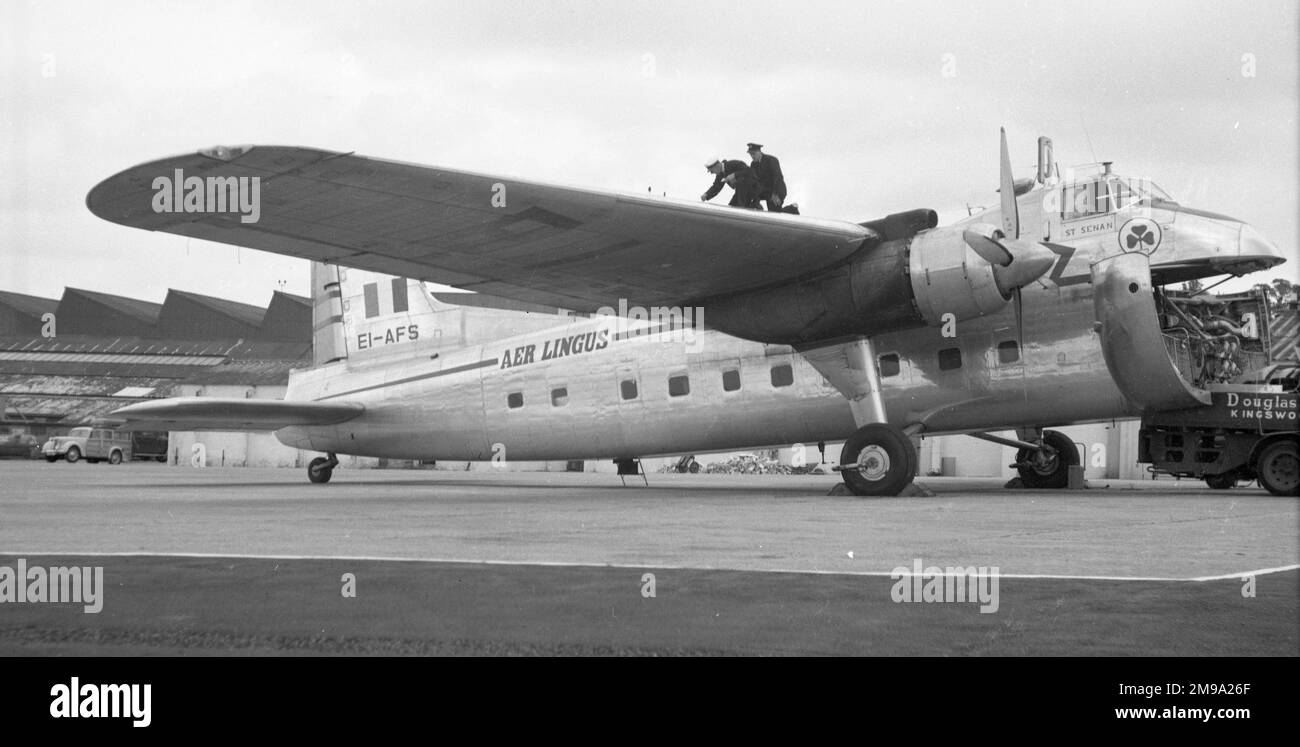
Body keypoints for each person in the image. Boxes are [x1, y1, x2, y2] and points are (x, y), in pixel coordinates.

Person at [746, 143, 788, 212]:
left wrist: (775, 194)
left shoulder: (771, 160)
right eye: (750, 154)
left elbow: (778, 177)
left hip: (777, 189)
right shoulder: (753, 164)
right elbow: (754, 180)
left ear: (759, 152)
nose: (752, 156)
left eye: (754, 154)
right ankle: (759, 210)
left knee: (775, 212)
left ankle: (792, 208)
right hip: (765, 190)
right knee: (750, 200)